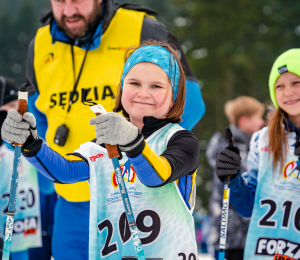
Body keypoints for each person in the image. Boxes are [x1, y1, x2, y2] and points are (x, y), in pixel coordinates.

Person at [25, 1, 205, 259]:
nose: (68, 10)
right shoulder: (40, 43)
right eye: (60, 1)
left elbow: (192, 103)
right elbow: (40, 119)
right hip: (75, 199)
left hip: (144, 195)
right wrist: (33, 149)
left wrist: (146, 146)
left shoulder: (143, 28)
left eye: (77, 0)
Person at [215, 48, 300, 260]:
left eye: (296, 83)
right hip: (264, 251)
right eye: (279, 86)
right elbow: (248, 206)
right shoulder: (263, 139)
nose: (287, 92)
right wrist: (233, 178)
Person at [206, 96, 265, 260]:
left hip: (248, 234)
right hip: (230, 234)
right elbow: (237, 186)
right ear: (244, 121)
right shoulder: (231, 146)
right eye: (258, 118)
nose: (262, 123)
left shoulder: (251, 144)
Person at [0, 76, 42, 260]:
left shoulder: (26, 142)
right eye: (7, 109)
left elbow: (47, 186)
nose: (14, 116)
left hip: (23, 235)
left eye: (16, 108)